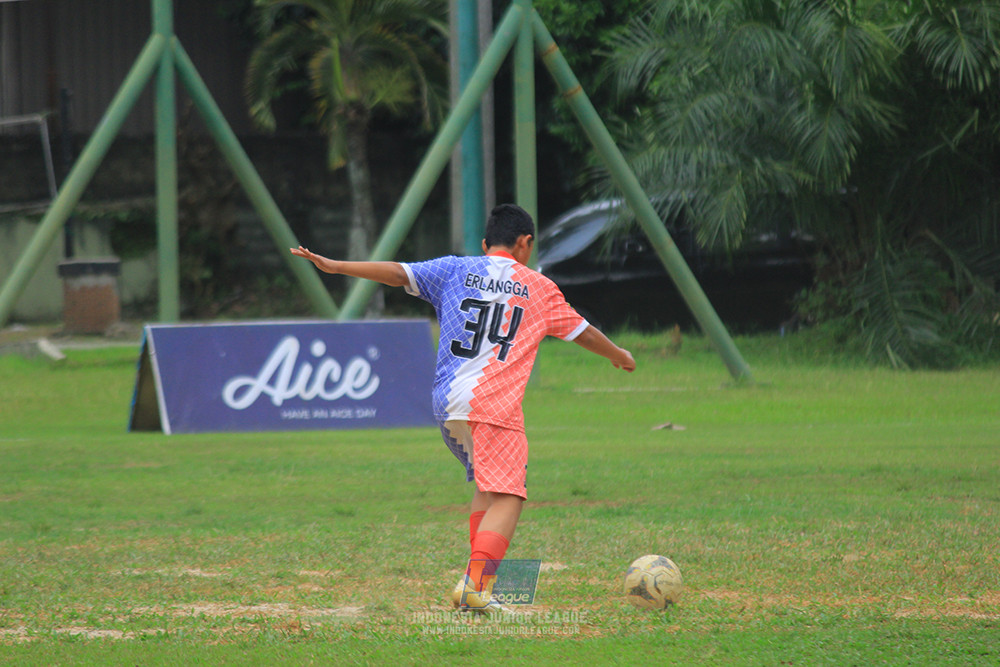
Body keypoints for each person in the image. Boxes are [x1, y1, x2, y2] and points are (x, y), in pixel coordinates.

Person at [291, 203, 635, 613]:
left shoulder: (455, 269)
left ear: (487, 245)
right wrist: (618, 354)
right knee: (509, 496)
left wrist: (335, 266)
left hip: (447, 404)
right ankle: (476, 585)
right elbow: (584, 333)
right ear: (526, 243)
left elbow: (399, 272)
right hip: (494, 408)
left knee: (488, 491)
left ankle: (478, 589)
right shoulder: (540, 288)